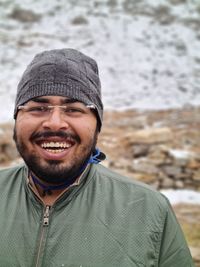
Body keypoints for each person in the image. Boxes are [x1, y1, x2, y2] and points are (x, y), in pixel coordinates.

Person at [0, 48, 194, 267]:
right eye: (38, 108)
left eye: (74, 109)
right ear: (17, 119)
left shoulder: (150, 211)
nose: (55, 123)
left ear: (97, 126)